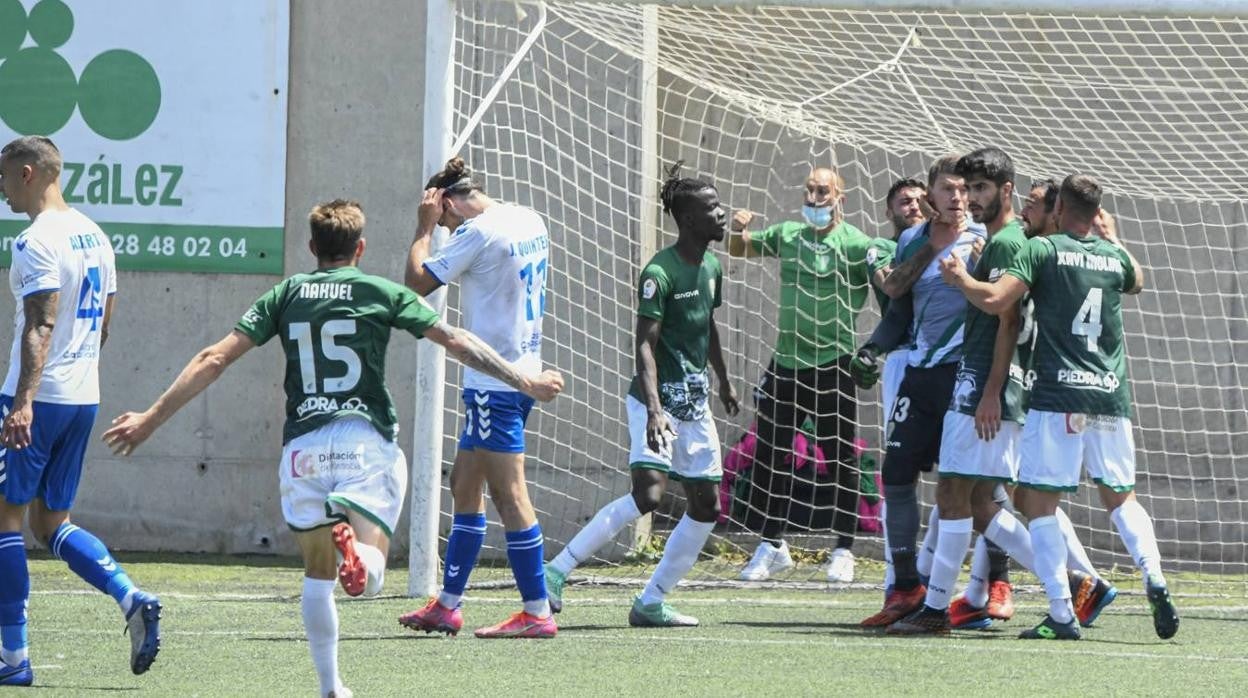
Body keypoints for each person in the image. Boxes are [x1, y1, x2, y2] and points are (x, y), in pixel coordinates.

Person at [102, 200, 563, 696]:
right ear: (360, 248)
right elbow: (455, 340)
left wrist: (150, 419)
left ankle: (331, 686)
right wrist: (524, 380)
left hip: (303, 449)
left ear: (311, 247)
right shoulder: (379, 292)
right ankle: (361, 555)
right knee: (372, 569)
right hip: (364, 445)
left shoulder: (286, 294)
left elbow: (213, 358)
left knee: (317, 575)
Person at [941, 174, 1179, 641]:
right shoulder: (1112, 256)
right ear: (1097, 213)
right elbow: (1138, 280)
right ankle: (1154, 574)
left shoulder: (1042, 250)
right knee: (1121, 498)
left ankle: (1062, 612)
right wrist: (1112, 237)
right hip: (1109, 394)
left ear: (1059, 209)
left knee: (1038, 503)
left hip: (1056, 395)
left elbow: (996, 300)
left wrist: (961, 278)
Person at [543, 162, 739, 626]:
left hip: (694, 405)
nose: (722, 214)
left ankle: (651, 601)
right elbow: (645, 345)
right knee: (649, 493)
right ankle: (555, 570)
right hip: (656, 403)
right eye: (712, 208)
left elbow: (707, 325)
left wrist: (724, 379)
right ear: (688, 219)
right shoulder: (659, 272)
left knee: (707, 506)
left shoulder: (712, 266)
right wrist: (654, 409)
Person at [0, 136, 160, 687]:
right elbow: (105, 323)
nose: (0, 189)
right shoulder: (96, 234)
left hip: (36, 399)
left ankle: (13, 659)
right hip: (81, 396)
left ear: (27, 173)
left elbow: (41, 324)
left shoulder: (34, 240)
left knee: (5, 520)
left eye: (2, 176)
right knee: (51, 523)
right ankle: (131, 596)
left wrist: (23, 402)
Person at [400, 157, 559, 638]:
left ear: (447, 204)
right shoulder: (529, 218)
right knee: (464, 484)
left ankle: (536, 612)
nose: (446, 229)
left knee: (510, 495)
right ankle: (447, 605)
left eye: (444, 220)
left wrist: (423, 229)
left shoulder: (476, 233)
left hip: (496, 385)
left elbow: (416, 284)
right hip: (522, 371)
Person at [857, 155, 986, 628]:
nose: (957, 197)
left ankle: (993, 585)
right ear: (932, 195)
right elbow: (895, 295)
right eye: (948, 189)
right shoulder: (913, 239)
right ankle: (907, 584)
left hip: (966, 375)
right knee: (896, 473)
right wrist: (931, 248)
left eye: (964, 189)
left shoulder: (986, 238)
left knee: (978, 488)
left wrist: (972, 271)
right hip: (920, 371)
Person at [727, 168, 870, 583]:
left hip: (834, 364)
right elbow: (740, 249)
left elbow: (889, 280)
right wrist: (737, 230)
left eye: (822, 191)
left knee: (839, 458)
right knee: (770, 455)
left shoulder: (857, 244)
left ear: (840, 197)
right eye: (809, 190)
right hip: (787, 364)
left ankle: (843, 550)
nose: (814, 197)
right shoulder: (788, 234)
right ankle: (772, 545)